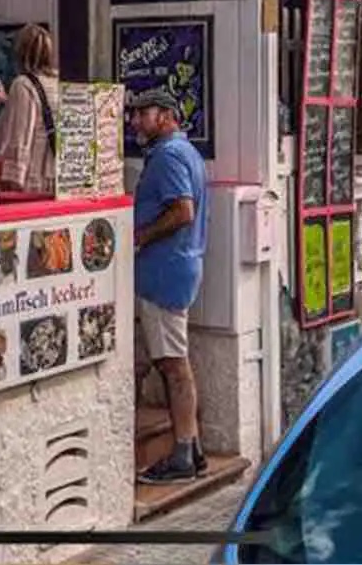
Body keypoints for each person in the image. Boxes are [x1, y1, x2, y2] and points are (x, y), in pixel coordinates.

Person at [128, 87, 209, 485]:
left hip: (164, 272)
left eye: (143, 113)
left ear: (166, 115)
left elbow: (182, 211)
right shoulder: (184, 152)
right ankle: (190, 447)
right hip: (176, 269)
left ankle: (182, 455)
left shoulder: (169, 156)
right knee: (169, 361)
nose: (135, 121)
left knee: (173, 366)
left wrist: (140, 236)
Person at [0, 24, 60, 194]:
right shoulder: (58, 83)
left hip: (33, 180)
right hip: (55, 177)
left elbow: (20, 137)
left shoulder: (23, 85)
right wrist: (9, 102)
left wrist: (12, 181)